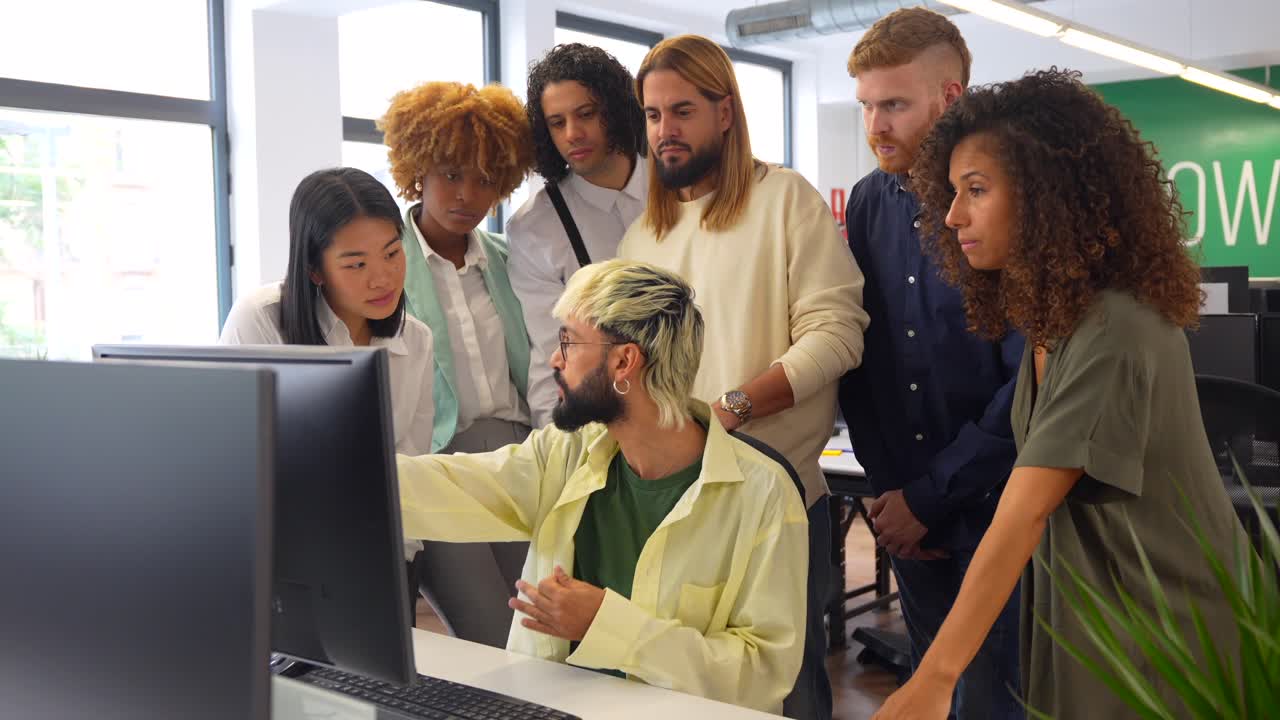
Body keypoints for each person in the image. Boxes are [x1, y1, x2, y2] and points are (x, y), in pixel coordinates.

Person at [873, 68, 1248, 720]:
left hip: (1167, 631)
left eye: (977, 190)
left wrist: (935, 678)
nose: (953, 215)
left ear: (1049, 194)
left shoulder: (1115, 326)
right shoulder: (1056, 322)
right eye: (953, 192)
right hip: (1097, 610)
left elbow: (1024, 511)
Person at [396, 259, 809, 714]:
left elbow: (760, 676)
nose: (555, 360)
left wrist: (607, 625)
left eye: (568, 342)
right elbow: (450, 487)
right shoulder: (568, 453)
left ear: (624, 361)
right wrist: (346, 468)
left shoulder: (764, 495)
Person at [618, 34, 869, 720]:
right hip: (671, 506)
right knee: (685, 692)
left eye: (683, 111)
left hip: (775, 499)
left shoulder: (785, 200)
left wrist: (733, 406)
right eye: (653, 115)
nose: (665, 130)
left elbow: (837, 333)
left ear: (724, 112)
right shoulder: (641, 238)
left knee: (787, 694)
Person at [838, 9, 1024, 717]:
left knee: (995, 700)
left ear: (949, 98)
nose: (875, 126)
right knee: (929, 693)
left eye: (893, 105)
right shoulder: (866, 204)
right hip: (907, 512)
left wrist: (931, 497)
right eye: (865, 106)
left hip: (1000, 509)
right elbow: (864, 360)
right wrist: (895, 498)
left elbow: (1028, 385)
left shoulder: (1004, 200)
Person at [378, 80, 534, 647]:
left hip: (518, 456)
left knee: (542, 631)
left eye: (486, 179)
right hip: (435, 460)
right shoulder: (384, 264)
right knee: (489, 633)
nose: (468, 194)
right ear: (417, 169)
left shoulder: (510, 260)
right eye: (451, 174)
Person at [219, 167, 434, 456]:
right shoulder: (259, 320)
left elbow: (412, 465)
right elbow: (235, 450)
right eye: (357, 265)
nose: (383, 279)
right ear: (315, 270)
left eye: (392, 253)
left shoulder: (418, 340)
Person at [507, 43, 648, 428]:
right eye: (557, 123)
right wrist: (560, 448)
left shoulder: (677, 186)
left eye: (586, 114)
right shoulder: (535, 228)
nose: (573, 134)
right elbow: (551, 359)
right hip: (607, 424)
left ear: (615, 110)